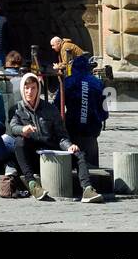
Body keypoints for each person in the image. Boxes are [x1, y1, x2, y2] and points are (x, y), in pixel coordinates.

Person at [9, 72, 102, 204]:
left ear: (38, 89)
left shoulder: (50, 109)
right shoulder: (16, 109)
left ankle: (87, 188)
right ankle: (32, 184)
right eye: (26, 88)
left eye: (33, 88)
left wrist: (69, 146)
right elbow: (13, 127)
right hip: (32, 155)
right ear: (22, 89)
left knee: (78, 153)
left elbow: (61, 135)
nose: (30, 91)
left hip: (50, 150)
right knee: (19, 142)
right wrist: (23, 130)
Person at [54, 53, 108, 167]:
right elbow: (104, 112)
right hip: (91, 130)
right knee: (92, 167)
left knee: (72, 164)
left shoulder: (68, 82)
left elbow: (57, 105)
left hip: (72, 129)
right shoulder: (97, 83)